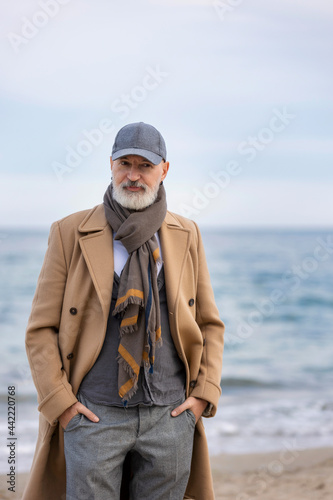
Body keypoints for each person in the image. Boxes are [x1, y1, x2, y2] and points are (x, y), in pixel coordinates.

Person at [23, 122, 224, 500]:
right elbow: (41, 329)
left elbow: (209, 324)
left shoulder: (187, 233)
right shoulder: (69, 232)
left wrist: (201, 398)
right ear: (110, 165)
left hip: (171, 415)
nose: (133, 176)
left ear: (164, 170)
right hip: (94, 414)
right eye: (124, 163)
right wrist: (62, 406)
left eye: (144, 166)